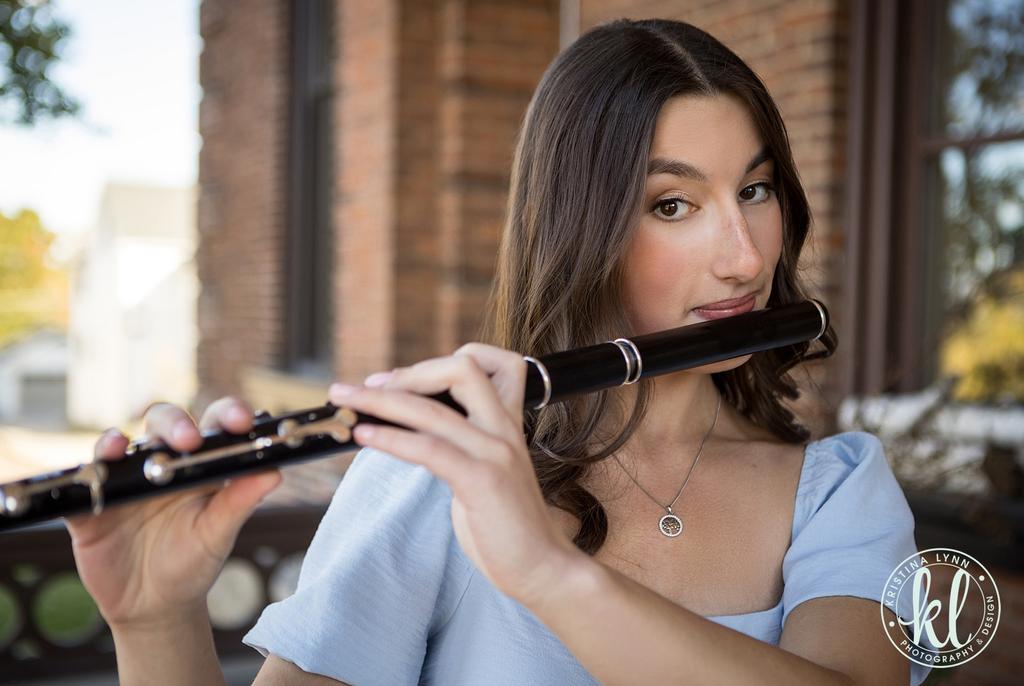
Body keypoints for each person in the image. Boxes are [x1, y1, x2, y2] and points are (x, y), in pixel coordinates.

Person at [67, 18, 929, 686]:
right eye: (673, 204)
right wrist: (156, 623)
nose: (745, 256)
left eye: (755, 189)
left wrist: (548, 573)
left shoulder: (842, 492)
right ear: (577, 228)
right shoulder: (442, 464)